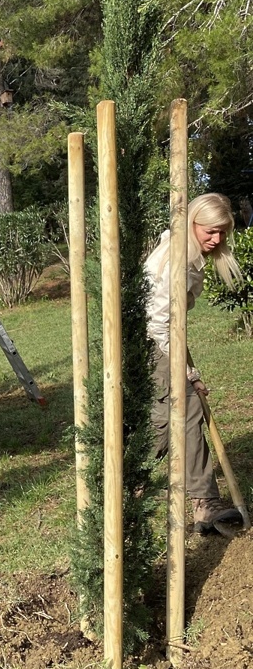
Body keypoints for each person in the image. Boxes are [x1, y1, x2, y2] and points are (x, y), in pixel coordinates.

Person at [144, 193, 243, 534]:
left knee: (186, 414)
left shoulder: (190, 255)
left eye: (222, 233)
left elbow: (173, 324)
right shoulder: (178, 260)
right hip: (153, 344)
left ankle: (204, 502)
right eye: (211, 231)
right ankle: (129, 478)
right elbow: (158, 323)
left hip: (165, 341)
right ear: (193, 224)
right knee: (169, 419)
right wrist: (185, 371)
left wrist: (190, 372)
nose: (217, 239)